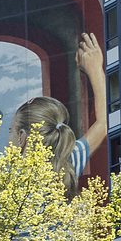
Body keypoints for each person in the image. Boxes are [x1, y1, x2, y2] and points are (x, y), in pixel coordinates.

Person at [10, 31, 108, 200]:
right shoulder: (68, 164)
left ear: (21, 136)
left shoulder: (8, 190)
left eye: (10, 131)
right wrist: (95, 68)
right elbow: (103, 123)